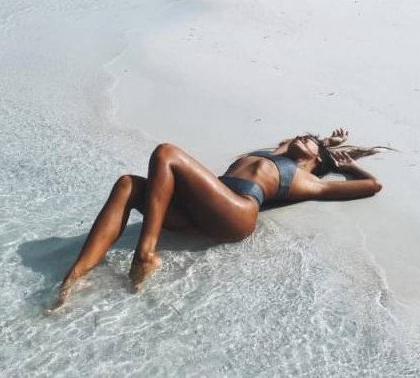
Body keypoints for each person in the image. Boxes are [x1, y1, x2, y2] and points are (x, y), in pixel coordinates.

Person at [49, 127, 385, 310]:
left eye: (309, 140)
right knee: (128, 185)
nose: (301, 136)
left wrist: (348, 166)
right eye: (304, 134)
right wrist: (327, 141)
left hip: (235, 214)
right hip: (204, 209)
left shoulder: (307, 181)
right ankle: (74, 278)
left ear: (317, 160)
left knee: (166, 152)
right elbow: (288, 143)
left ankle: (146, 253)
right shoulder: (276, 153)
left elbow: (372, 185)